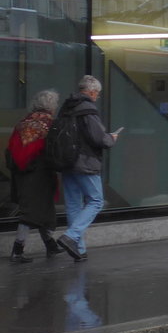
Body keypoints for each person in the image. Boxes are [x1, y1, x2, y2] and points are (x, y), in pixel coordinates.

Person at [56, 75, 120, 261]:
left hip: (67, 162)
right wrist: (111, 138)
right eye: (97, 94)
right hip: (84, 162)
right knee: (96, 201)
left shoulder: (66, 108)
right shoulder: (88, 109)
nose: (97, 97)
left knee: (74, 205)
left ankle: (79, 249)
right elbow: (99, 138)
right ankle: (71, 236)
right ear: (92, 92)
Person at [6, 90, 64, 263]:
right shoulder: (49, 124)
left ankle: (50, 245)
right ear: (52, 106)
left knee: (40, 209)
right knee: (32, 212)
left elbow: (12, 147)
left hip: (21, 173)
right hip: (40, 173)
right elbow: (53, 150)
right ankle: (17, 249)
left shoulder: (23, 123)